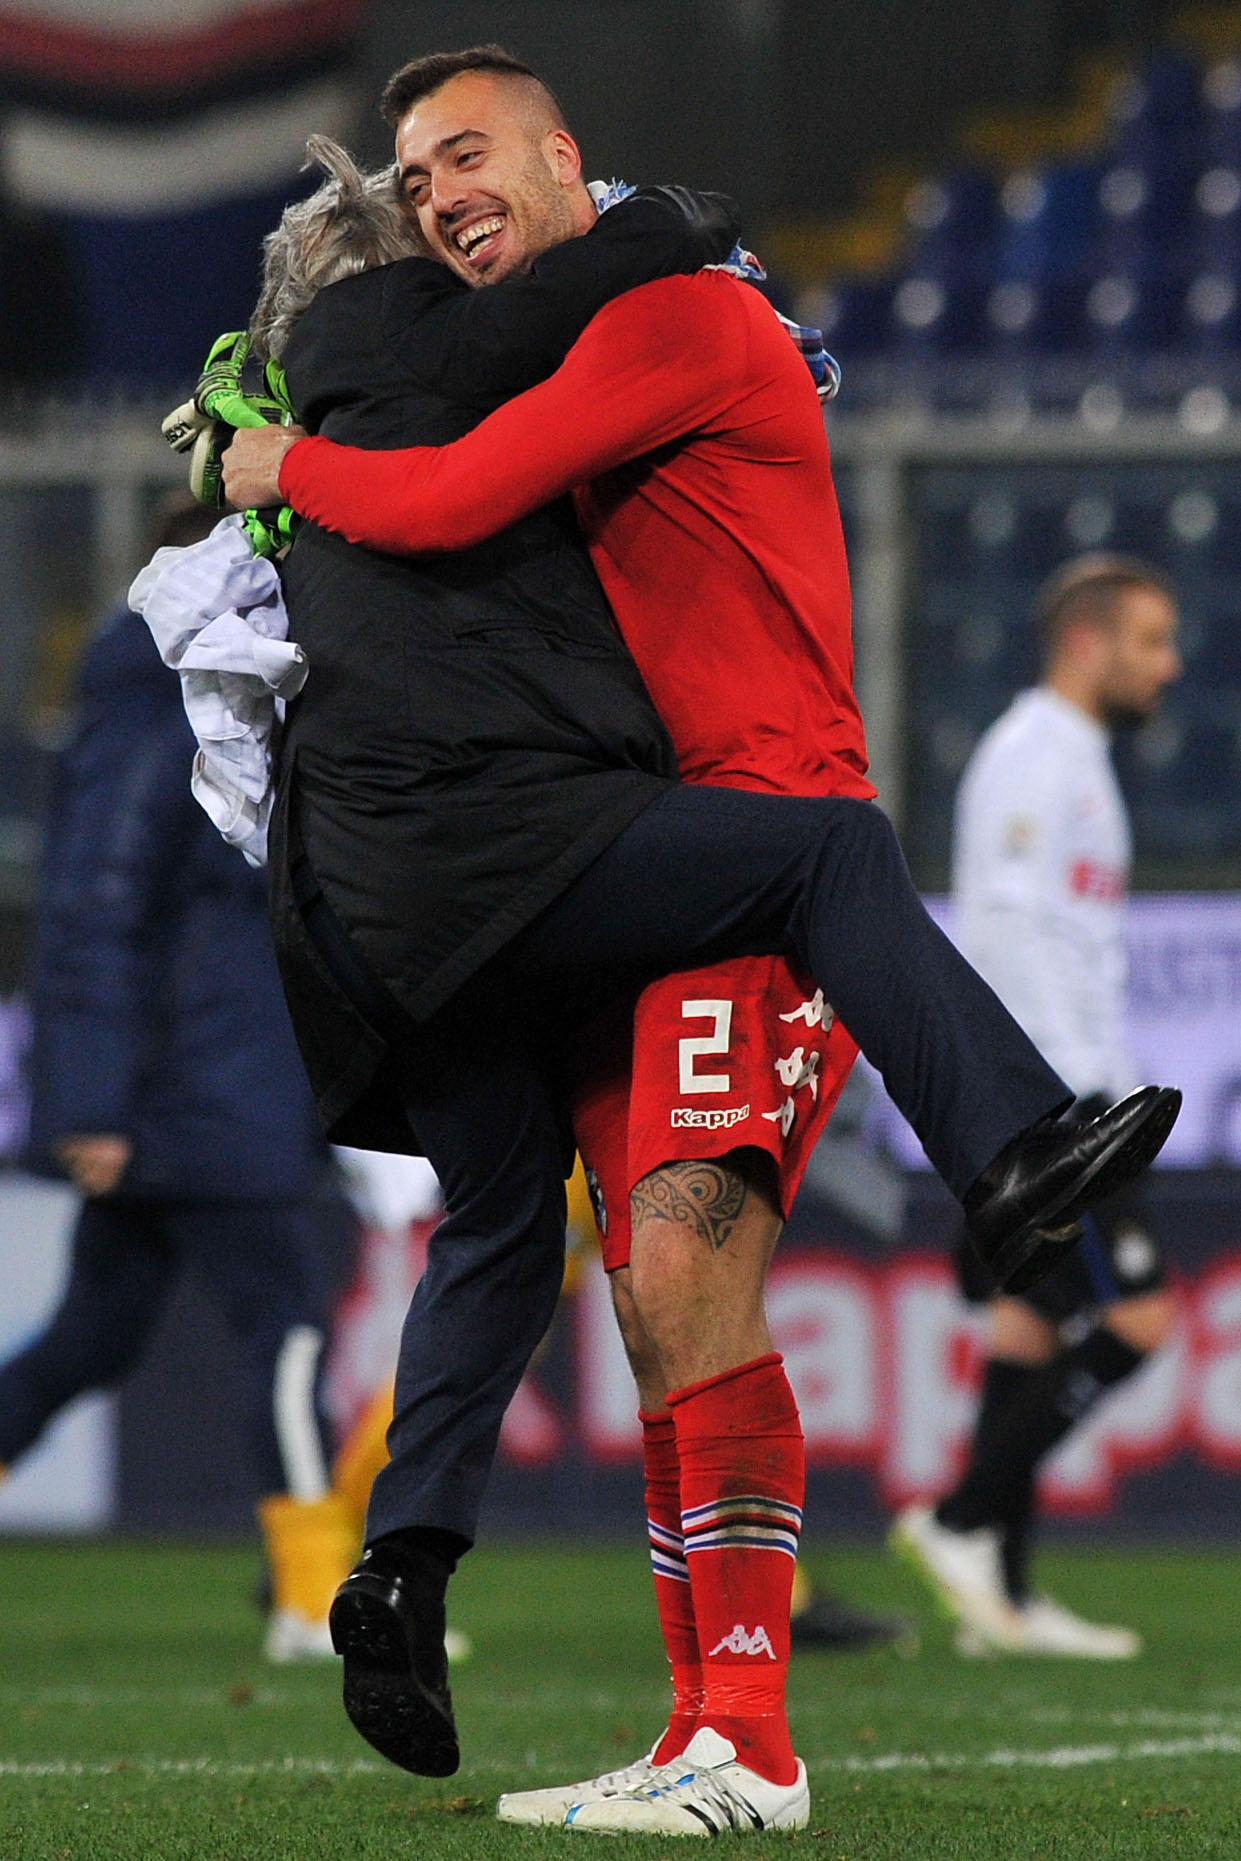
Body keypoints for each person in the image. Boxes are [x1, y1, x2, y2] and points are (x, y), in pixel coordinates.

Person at [217, 47, 1178, 1827]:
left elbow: (437, 498)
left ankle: (749, 1739)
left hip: (754, 836)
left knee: (680, 1277)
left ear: (566, 157)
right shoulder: (573, 333)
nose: (433, 195)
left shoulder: (681, 319)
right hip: (625, 858)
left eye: (466, 157)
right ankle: (697, 1725)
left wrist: (270, 453)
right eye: (413, 179)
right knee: (653, 1315)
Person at [12, 495, 360, 1662]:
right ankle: (311, 1596)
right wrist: (94, 1100)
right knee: (290, 1328)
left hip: (205, 1076)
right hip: (196, 1085)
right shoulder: (162, 698)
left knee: (92, 1339)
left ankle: (306, 1591)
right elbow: (94, 910)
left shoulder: (203, 692)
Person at [891, 555, 1182, 1658]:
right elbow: (1006, 934)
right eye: (1148, 640)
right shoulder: (1032, 760)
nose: (1168, 665)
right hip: (1056, 1101)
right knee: (1140, 1318)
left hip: (1058, 1087)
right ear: (1085, 640)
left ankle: (999, 1598)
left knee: (1025, 1323)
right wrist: (1057, 1110)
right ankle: (960, 1520)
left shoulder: (1071, 761)